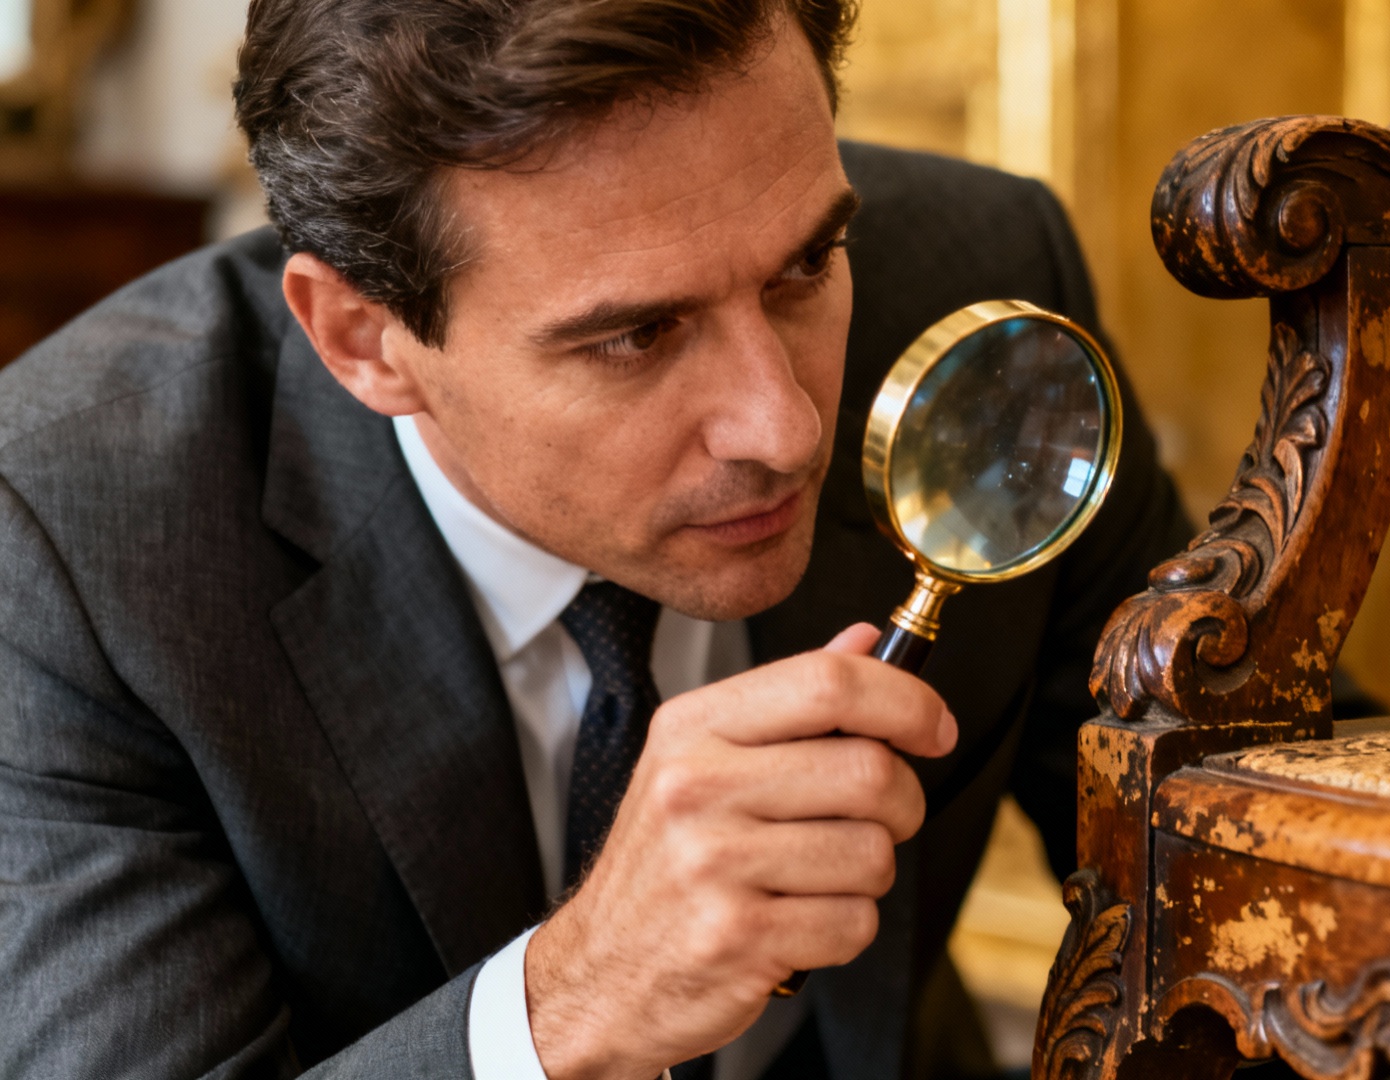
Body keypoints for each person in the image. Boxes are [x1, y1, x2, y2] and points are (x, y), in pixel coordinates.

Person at [0, 1, 1196, 1078]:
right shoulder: (67, 539)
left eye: (805, 267)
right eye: (635, 337)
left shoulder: (979, 284)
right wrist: (566, 1006)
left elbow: (1260, 810)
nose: (784, 425)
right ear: (364, 339)